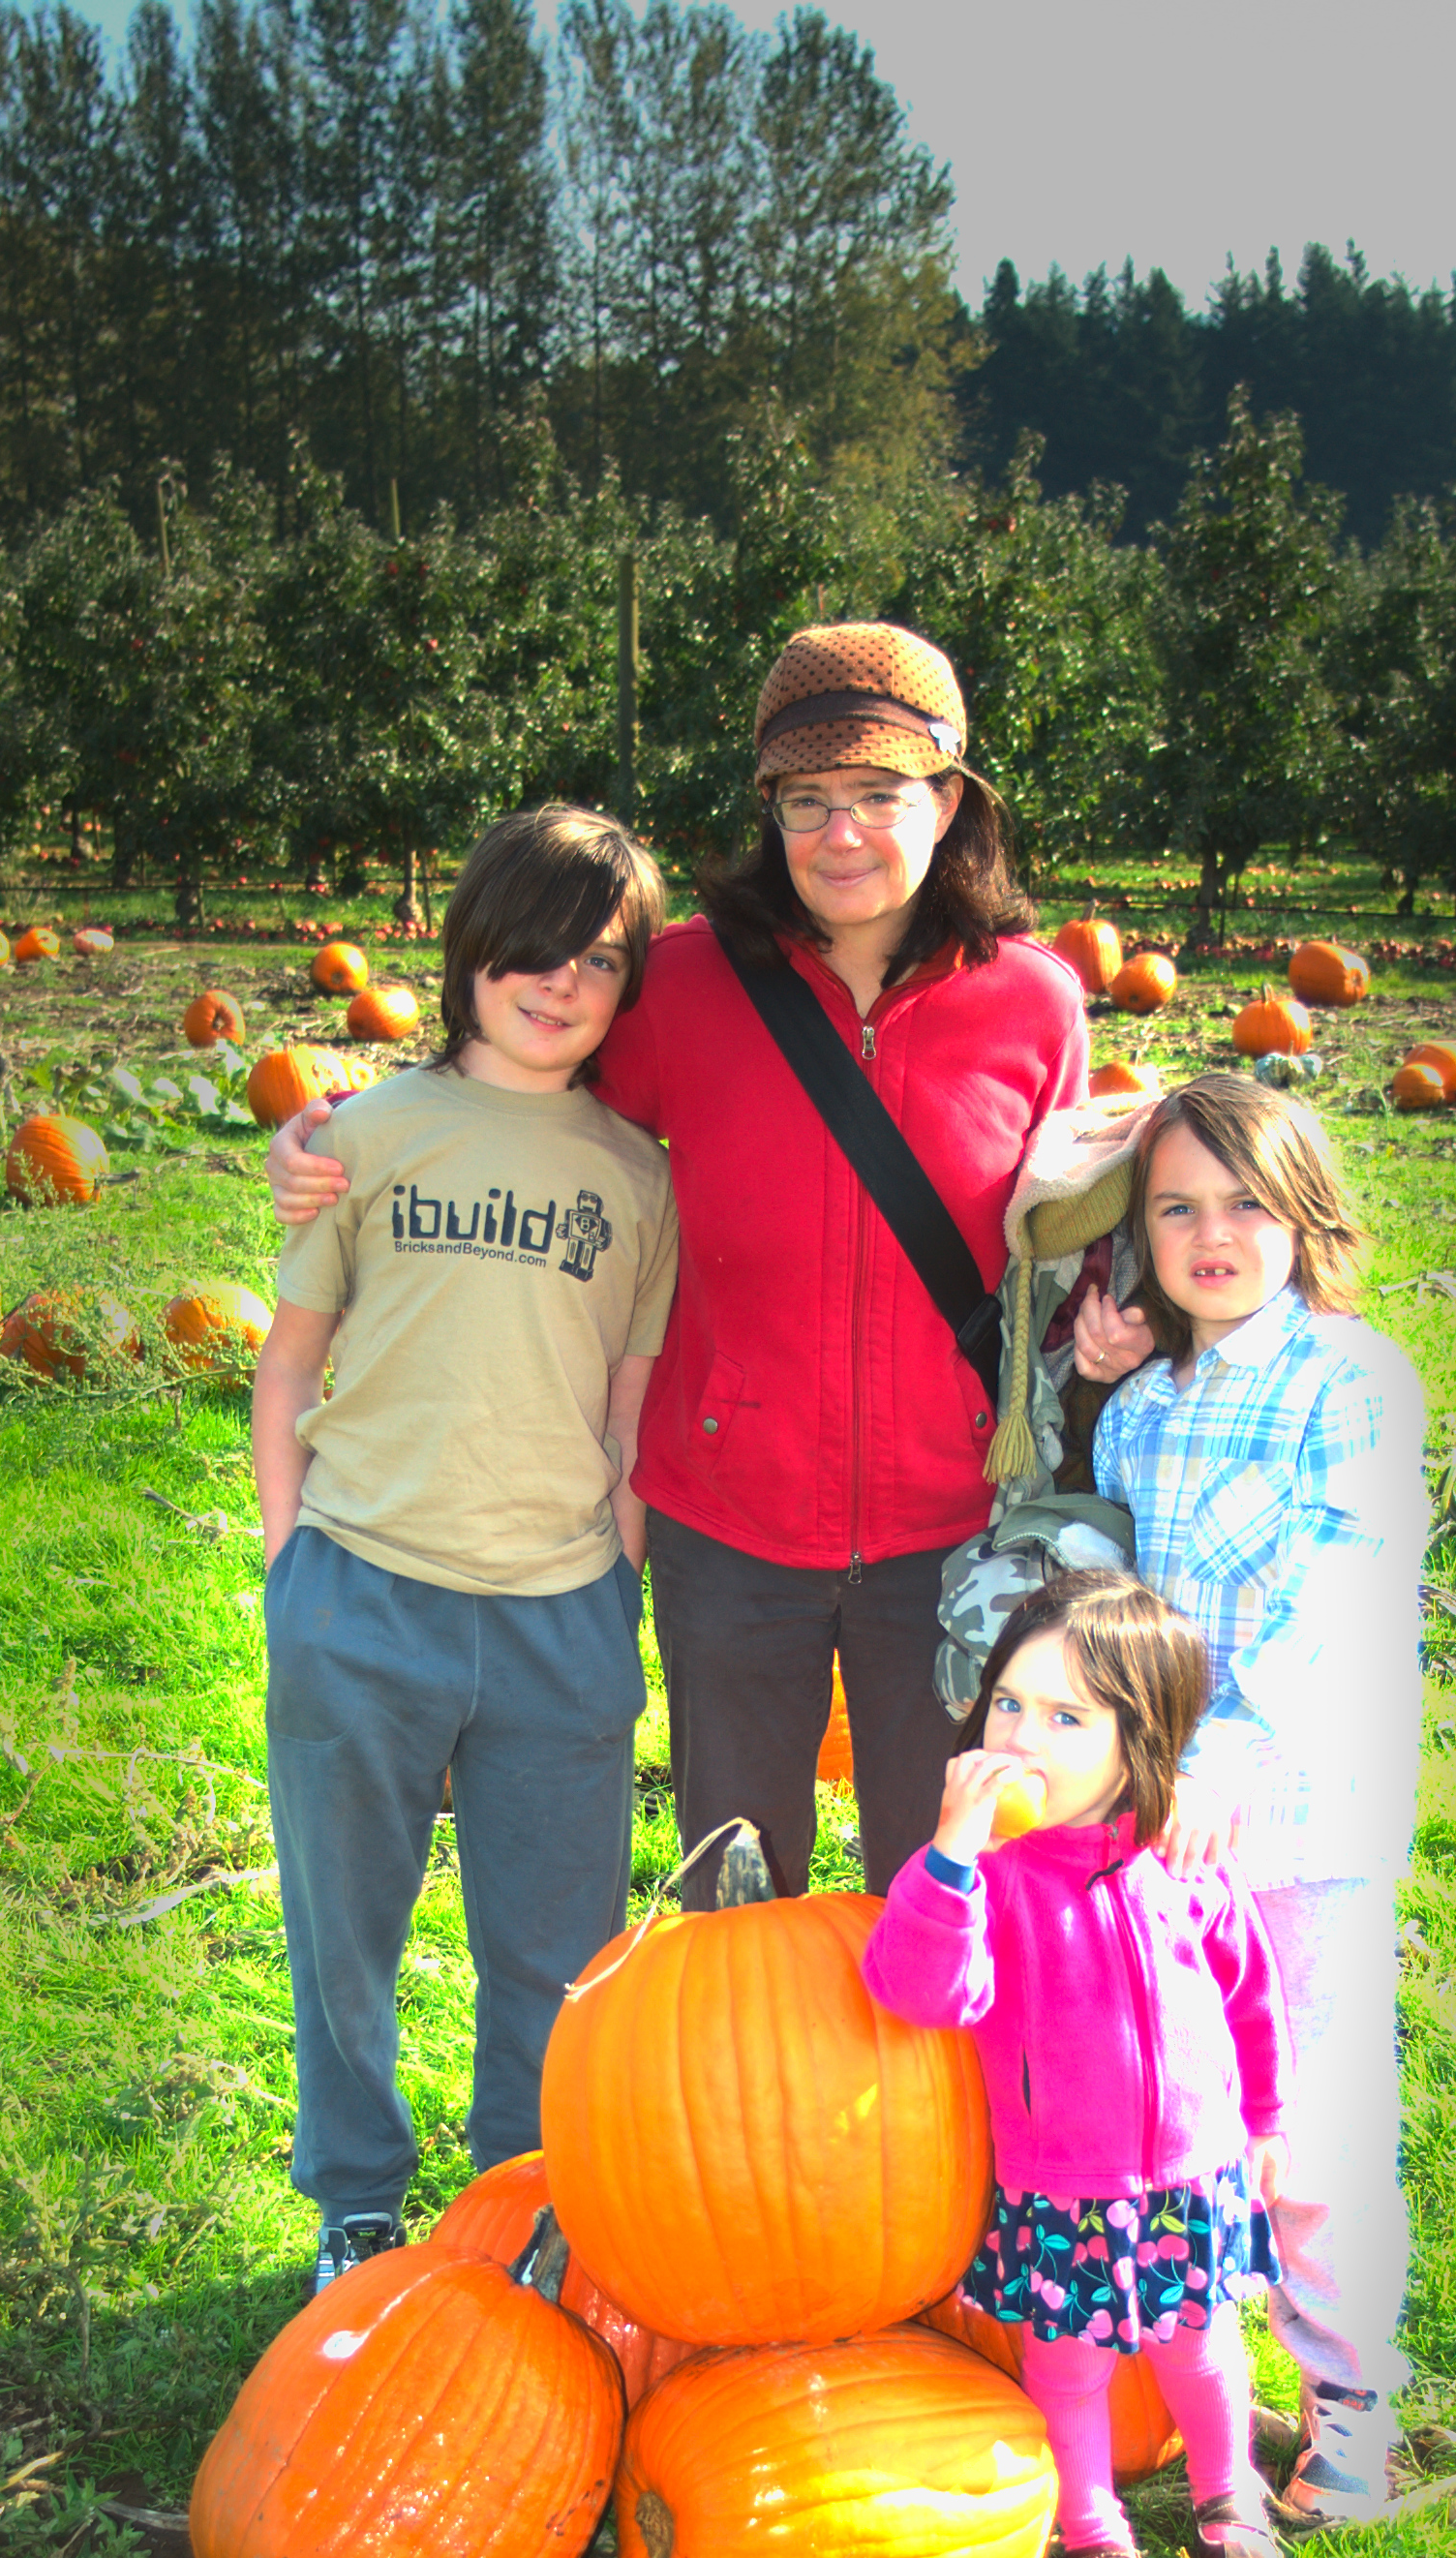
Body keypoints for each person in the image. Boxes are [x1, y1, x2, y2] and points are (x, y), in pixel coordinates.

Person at [264, 622, 1088, 1904]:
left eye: (879, 795)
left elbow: (1064, 1227)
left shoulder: (1032, 1001)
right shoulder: (689, 986)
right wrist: (337, 1134)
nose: (842, 833)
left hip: (949, 1534)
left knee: (948, 1887)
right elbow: (507, 1086)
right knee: (736, 1890)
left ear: (948, 801)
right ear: (770, 812)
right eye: (806, 800)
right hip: (730, 1529)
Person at [250, 804, 676, 2288]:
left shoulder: (639, 1175)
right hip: (362, 1592)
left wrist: (616, 1597)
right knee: (344, 1930)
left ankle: (521, 2203)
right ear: (470, 951)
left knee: (556, 1956)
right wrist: (290, 1573)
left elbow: (627, 1411)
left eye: (600, 962)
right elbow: (289, 1369)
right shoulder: (362, 1137)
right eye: (535, 949)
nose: (561, 983)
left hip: (560, 1613)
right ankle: (357, 2197)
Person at [1027, 1070, 1427, 2525]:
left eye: (1246, 1203)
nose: (1212, 1235)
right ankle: (1216, 2369)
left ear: (1305, 1213)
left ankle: (1353, 2400)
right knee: (1197, 2108)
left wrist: (1226, 1756)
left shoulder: (1351, 1382)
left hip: (1300, 1815)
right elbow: (1122, 1606)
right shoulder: (1144, 1410)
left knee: (1308, 2125)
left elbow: (1337, 1598)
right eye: (1177, 1208)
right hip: (1167, 1835)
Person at [864, 1568, 1292, 2558]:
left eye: (1066, 1717)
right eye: (1009, 1702)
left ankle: (1228, 2494)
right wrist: (951, 1857)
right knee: (1069, 2367)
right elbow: (919, 1991)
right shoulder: (993, 1876)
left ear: (1139, 1739)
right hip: (1061, 2185)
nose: (1022, 1737)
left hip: (1191, 2172)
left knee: (1201, 2345)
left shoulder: (1183, 1856)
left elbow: (1250, 1992)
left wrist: (1268, 2119)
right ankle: (1096, 2533)